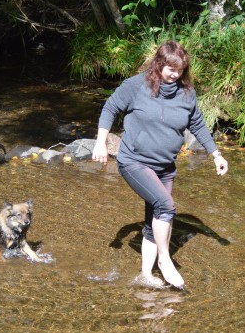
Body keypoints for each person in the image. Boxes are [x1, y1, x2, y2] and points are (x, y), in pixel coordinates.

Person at [92, 40, 228, 289]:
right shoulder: (136, 85)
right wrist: (101, 142)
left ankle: (145, 274)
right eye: (170, 69)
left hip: (165, 165)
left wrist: (216, 154)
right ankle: (165, 261)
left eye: (180, 70)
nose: (175, 75)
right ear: (158, 65)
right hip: (134, 161)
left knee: (154, 218)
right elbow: (110, 107)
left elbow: (197, 124)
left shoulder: (186, 92)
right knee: (166, 206)